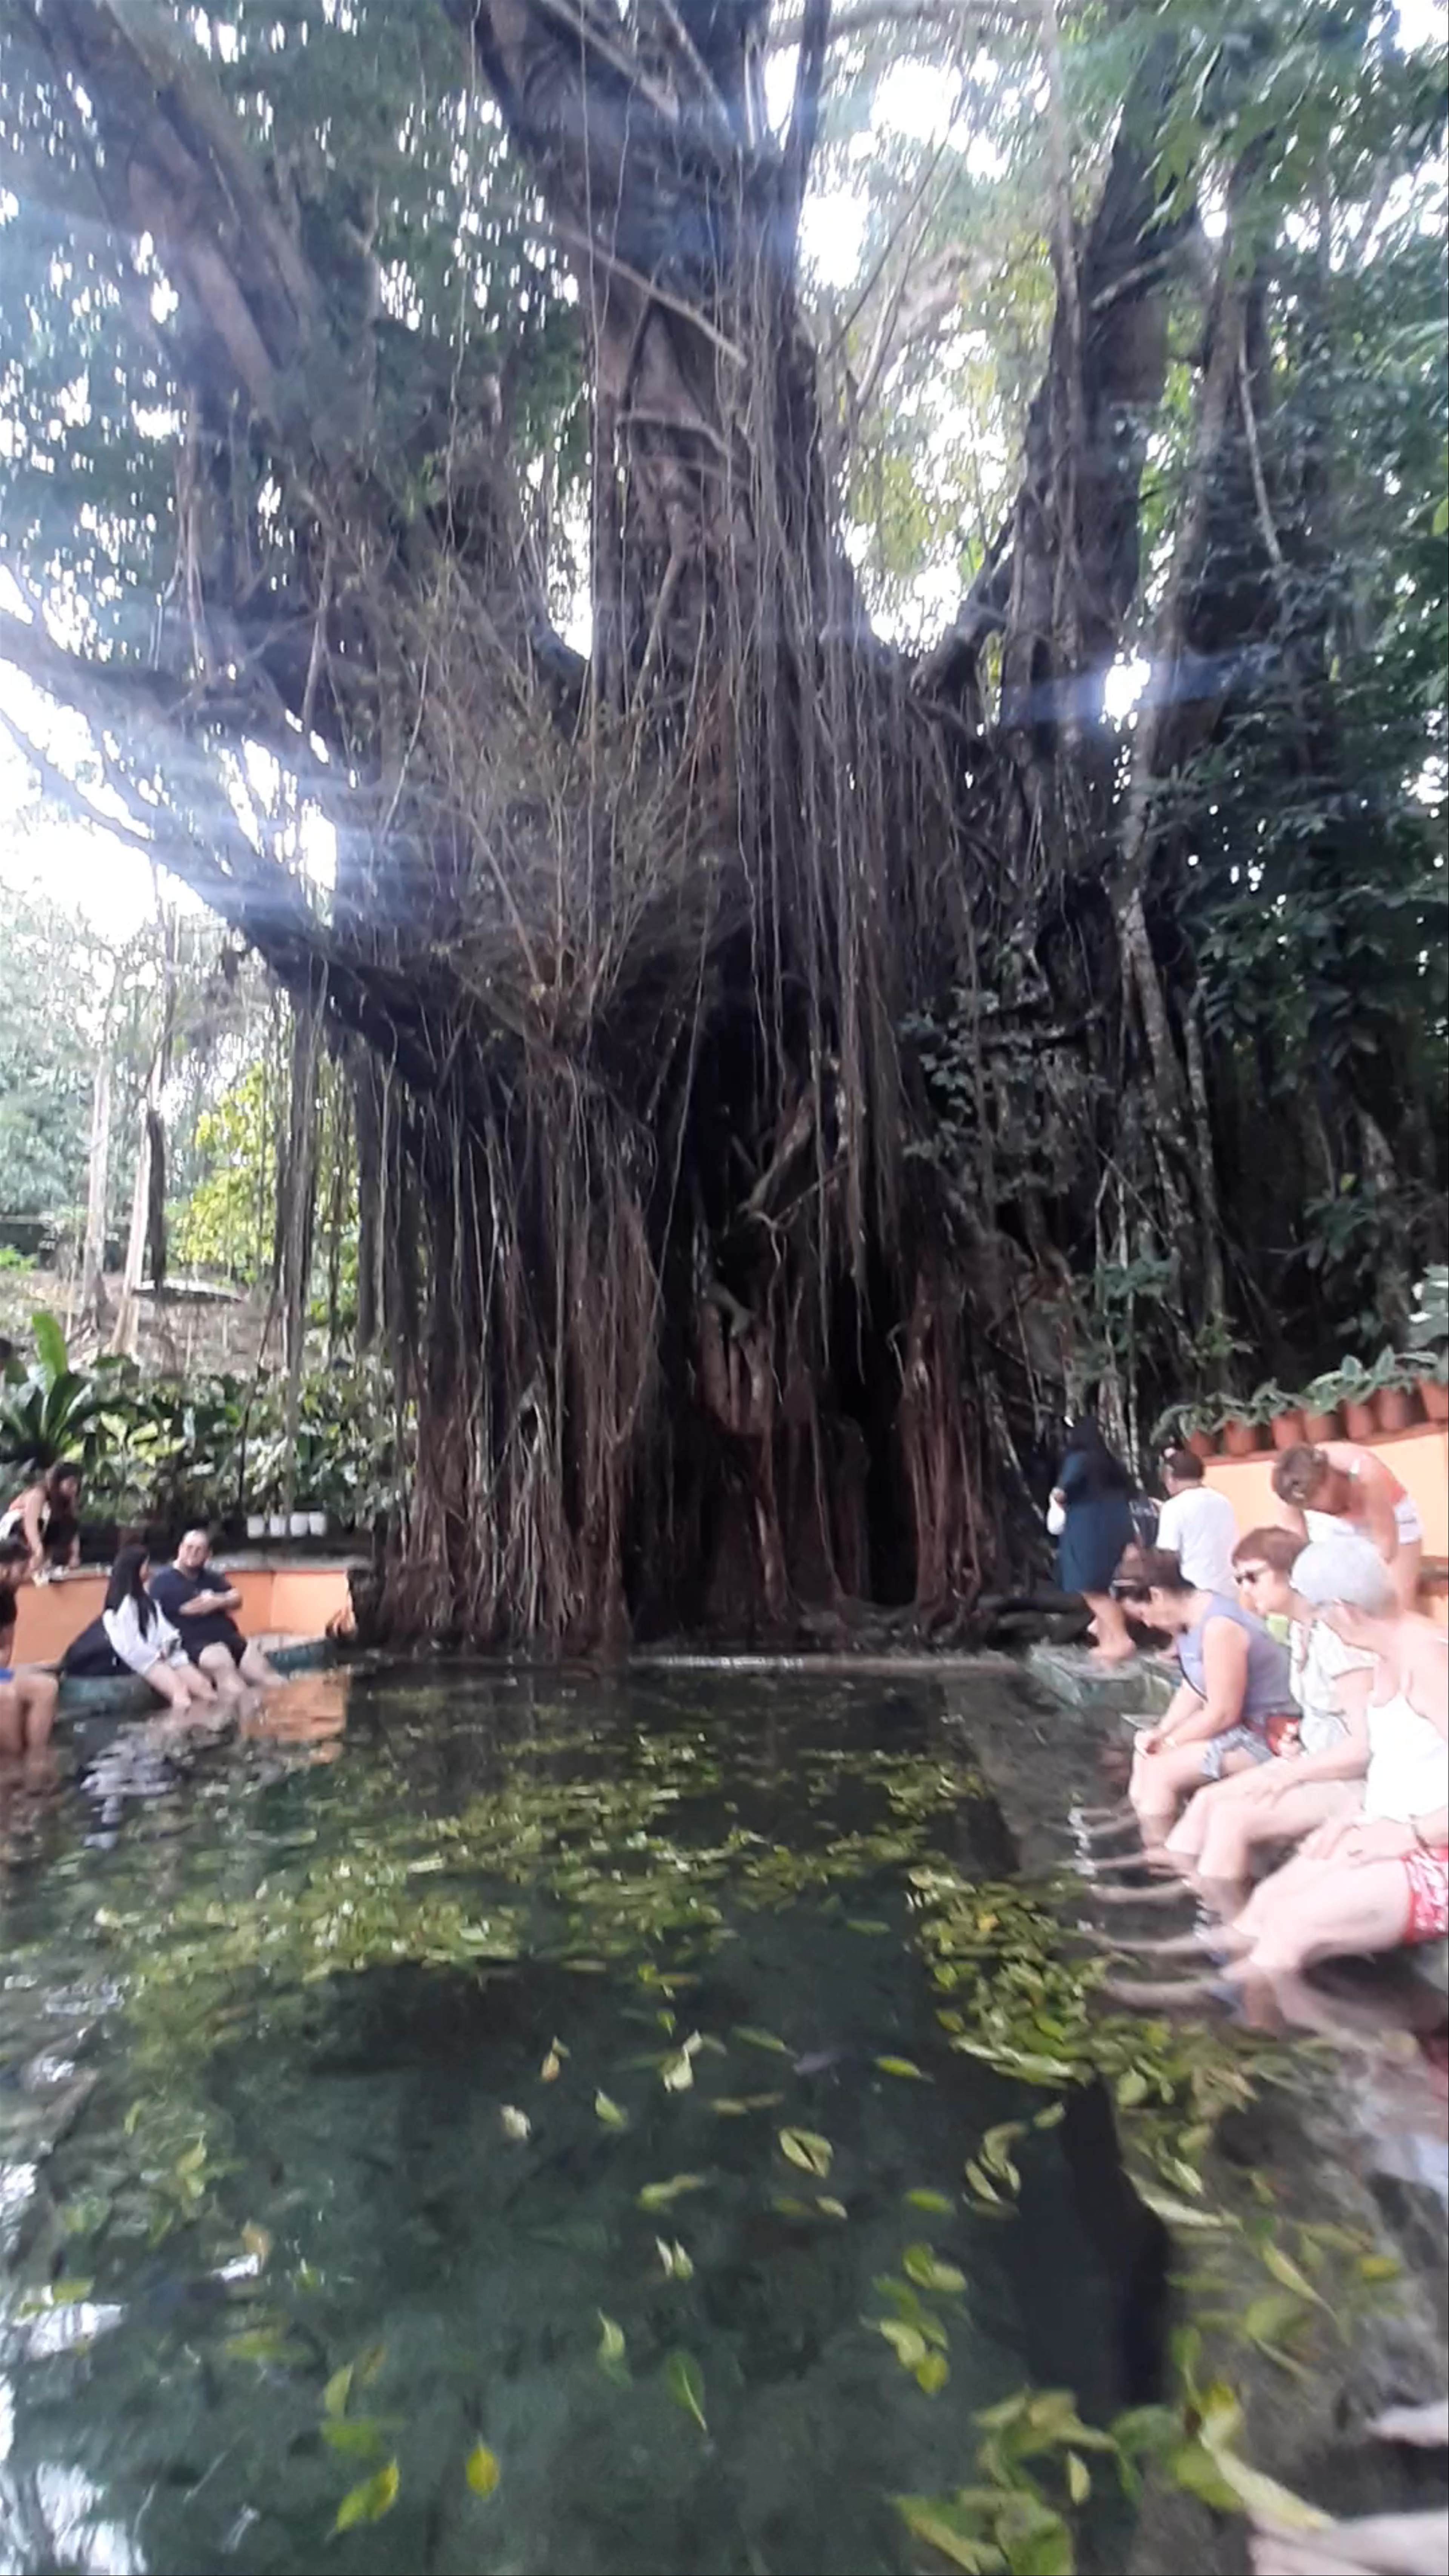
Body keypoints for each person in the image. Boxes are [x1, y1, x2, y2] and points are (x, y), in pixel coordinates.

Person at [1112, 1538, 1447, 2001]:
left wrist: (1410, 1834)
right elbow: (1402, 1760)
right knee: (1267, 1903)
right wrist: (1359, 1815)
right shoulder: (1390, 1650)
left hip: (1433, 1848)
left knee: (1289, 1929)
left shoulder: (1431, 1660)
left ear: (1345, 1611)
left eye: (1323, 1615)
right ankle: (1186, 1973)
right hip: (1389, 1822)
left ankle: (1252, 2036)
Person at [1158, 1527, 1376, 1890]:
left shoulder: (1340, 1641)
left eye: (1253, 1577)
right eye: (1239, 1579)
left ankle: (1220, 1919)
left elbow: (1365, 1747)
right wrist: (1298, 1741)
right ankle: (1178, 1886)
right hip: (1312, 1762)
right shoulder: (1300, 1631)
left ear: (1292, 1574)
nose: (1244, 1588)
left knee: (1231, 1818)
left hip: (1353, 1779)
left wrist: (1293, 1772)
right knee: (1207, 1800)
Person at [1120, 1547, 1297, 1838]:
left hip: (1270, 1736)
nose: (1149, 1624)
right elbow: (1194, 1686)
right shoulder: (1190, 1622)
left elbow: (1223, 1713)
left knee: (1161, 1771)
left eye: (1143, 1614)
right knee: (1145, 1754)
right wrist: (1161, 1732)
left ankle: (1157, 1853)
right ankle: (1140, 1826)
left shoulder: (1218, 1627)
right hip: (1241, 1729)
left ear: (1156, 1595)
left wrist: (1172, 1742)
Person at [62, 1541, 218, 1715]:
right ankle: (171, 1735)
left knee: (205, 1689)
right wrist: (157, 1656)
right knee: (181, 1694)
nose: (150, 1569)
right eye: (146, 1565)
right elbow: (130, 1647)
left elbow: (164, 1631)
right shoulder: (121, 1608)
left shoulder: (147, 1602)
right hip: (146, 1660)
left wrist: (169, 1648)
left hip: (165, 1654)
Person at [1272, 1441, 1423, 1613]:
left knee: (1396, 1608)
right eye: (1307, 1507)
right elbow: (1300, 1557)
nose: (1312, 1508)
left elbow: (1387, 1547)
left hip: (1393, 1519)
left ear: (1325, 1482)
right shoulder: (1290, 1492)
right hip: (1337, 1530)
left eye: (1313, 1501)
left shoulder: (1366, 1472)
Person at [149, 1528, 282, 1699]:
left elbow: (237, 1598)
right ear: (180, 1549)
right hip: (197, 1644)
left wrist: (217, 1601)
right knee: (232, 1680)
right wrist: (216, 1601)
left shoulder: (210, 1577)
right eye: (189, 1547)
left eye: (199, 1549)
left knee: (271, 1678)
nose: (193, 1553)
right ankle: (236, 1722)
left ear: (208, 1554)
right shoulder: (163, 1581)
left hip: (229, 1637)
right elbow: (188, 1608)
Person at [1051, 1419, 1137, 1662]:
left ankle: (1121, 1640)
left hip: (1088, 1530)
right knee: (1105, 1586)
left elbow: (1061, 1493)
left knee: (1091, 1589)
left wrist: (1059, 1501)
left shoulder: (1079, 1459)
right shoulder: (1113, 1465)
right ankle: (1109, 1641)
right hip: (1119, 1529)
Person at [1154, 1449, 1239, 1599]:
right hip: (1229, 1591)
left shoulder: (1174, 1508)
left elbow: (1167, 1558)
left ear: (1169, 1476)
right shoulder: (1224, 1502)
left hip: (1194, 1595)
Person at [0, 1579, 58, 1758]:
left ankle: (36, 1756)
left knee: (47, 1687)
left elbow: (6, 1648)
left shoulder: (6, 1599)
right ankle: (11, 1765)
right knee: (7, 1697)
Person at [0, 1462, 82, 1581]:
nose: (74, 1489)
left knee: (64, 1524)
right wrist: (38, 1551)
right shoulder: (38, 1494)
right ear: (58, 1482)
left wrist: (75, 1555)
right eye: (70, 1484)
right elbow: (30, 1525)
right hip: (13, 1535)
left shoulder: (69, 1503)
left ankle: (47, 1562)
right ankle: (25, 1562)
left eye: (77, 1484)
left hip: (41, 1536)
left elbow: (73, 1530)